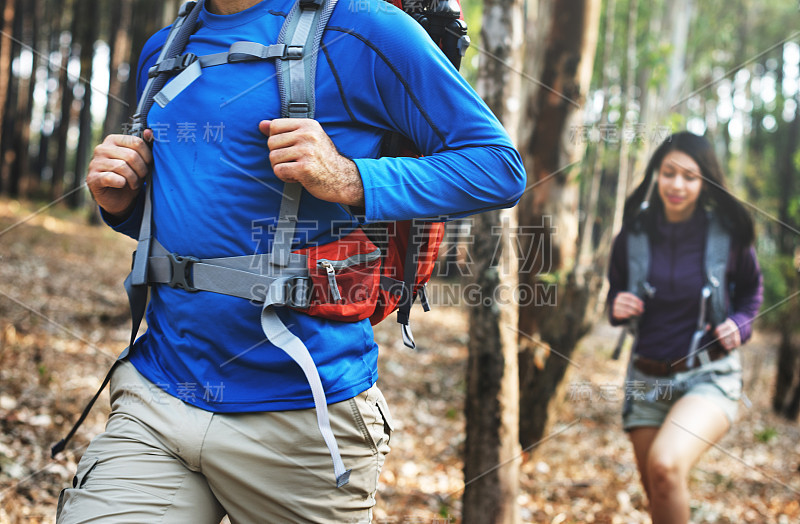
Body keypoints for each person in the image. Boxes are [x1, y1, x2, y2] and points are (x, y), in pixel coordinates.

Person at [58, 0, 526, 522]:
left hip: (303, 420)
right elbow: (199, 206)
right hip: (159, 395)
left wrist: (350, 178)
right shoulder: (166, 48)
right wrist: (121, 205)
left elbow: (498, 167)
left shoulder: (366, 28)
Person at [607, 131, 762, 524]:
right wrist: (616, 305)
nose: (677, 185)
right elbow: (616, 293)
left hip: (708, 375)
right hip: (646, 378)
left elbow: (751, 294)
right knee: (659, 489)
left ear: (704, 182)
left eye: (689, 177)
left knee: (666, 466)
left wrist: (739, 324)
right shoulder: (632, 235)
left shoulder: (728, 235)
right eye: (669, 173)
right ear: (656, 173)